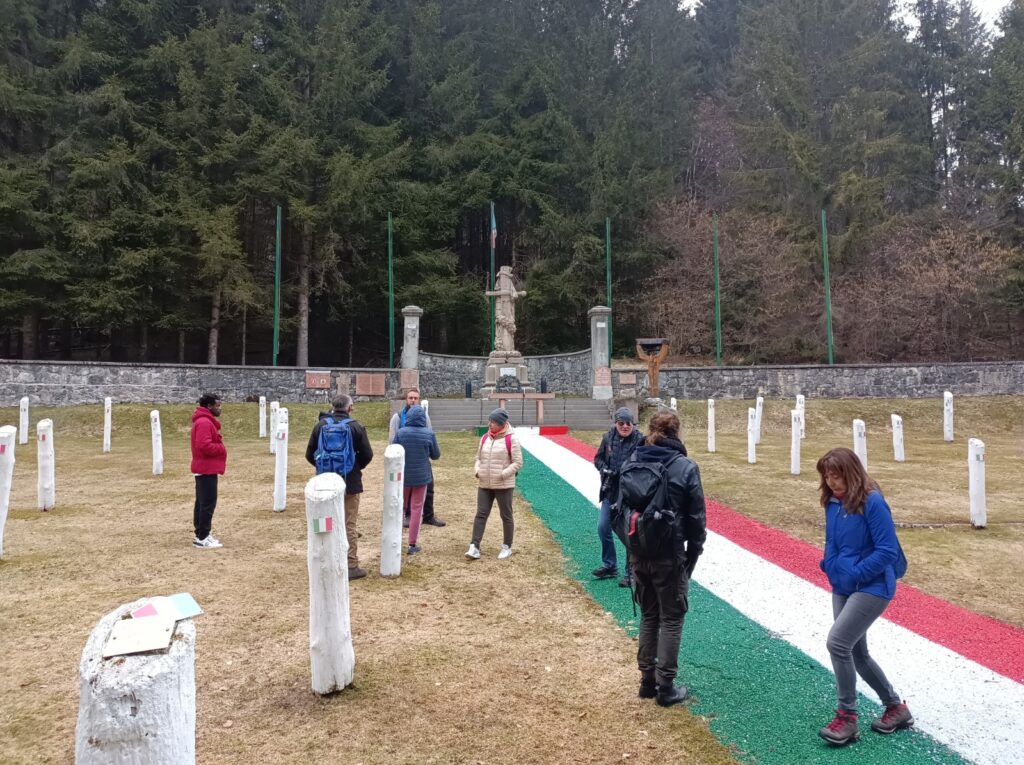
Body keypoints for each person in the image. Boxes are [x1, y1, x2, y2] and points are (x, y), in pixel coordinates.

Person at [816, 447, 913, 746]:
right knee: (856, 653)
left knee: (837, 643)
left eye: (837, 475)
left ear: (851, 472)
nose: (832, 481)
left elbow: (887, 551)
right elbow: (832, 540)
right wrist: (829, 565)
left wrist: (855, 573)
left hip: (873, 586)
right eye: (827, 476)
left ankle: (847, 717)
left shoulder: (873, 502)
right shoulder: (833, 502)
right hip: (843, 583)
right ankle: (895, 707)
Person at [628, 411, 705, 707]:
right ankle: (666, 686)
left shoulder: (634, 459)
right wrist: (694, 552)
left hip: (639, 549)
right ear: (677, 432)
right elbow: (697, 516)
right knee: (672, 617)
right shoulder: (684, 466)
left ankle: (646, 681)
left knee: (649, 614)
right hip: (670, 554)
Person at [305, 395, 374, 579]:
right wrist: (354, 467)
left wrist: (324, 467)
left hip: (325, 482)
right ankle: (351, 565)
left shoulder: (320, 426)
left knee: (325, 522)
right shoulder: (356, 427)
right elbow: (367, 454)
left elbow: (309, 454)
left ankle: (325, 561)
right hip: (349, 482)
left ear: (332, 407)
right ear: (350, 408)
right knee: (349, 524)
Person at [593, 407, 645, 587]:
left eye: (628, 423)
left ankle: (632, 572)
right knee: (602, 527)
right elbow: (597, 459)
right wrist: (604, 469)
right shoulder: (608, 438)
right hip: (609, 491)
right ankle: (609, 565)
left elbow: (644, 466)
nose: (624, 426)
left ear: (633, 424)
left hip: (630, 494)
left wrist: (626, 472)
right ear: (615, 423)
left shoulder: (640, 441)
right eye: (621, 423)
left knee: (629, 534)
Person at [466, 409, 522, 560]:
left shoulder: (512, 439)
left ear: (502, 424)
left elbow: (518, 462)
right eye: (489, 421)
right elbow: (478, 458)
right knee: (481, 514)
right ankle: (474, 546)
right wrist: (477, 470)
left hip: (504, 485)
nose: (489, 424)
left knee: (506, 516)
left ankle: (507, 546)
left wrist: (503, 474)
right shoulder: (485, 438)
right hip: (484, 483)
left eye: (493, 422)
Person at [389, 388, 445, 528]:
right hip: (404, 460)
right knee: (405, 489)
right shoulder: (397, 417)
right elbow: (392, 440)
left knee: (429, 488)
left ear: (419, 399)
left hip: (422, 459)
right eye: (410, 398)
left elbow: (429, 434)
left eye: (415, 398)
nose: (413, 400)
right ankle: (406, 515)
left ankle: (428, 515)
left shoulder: (424, 417)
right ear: (406, 399)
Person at [393, 404, 440, 555]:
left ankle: (395, 540)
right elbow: (436, 455)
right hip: (421, 477)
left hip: (403, 477)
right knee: (416, 509)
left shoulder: (401, 433)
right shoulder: (429, 434)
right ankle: (412, 544)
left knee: (400, 507)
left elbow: (394, 451)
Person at [190, 393, 227, 549]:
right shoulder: (204, 422)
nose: (220, 408)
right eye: (217, 405)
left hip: (205, 468)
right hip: (206, 468)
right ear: (209, 406)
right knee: (207, 503)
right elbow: (204, 445)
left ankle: (201, 533)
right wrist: (221, 448)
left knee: (202, 502)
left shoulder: (204, 421)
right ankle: (202, 536)